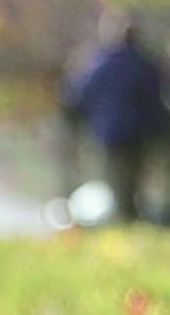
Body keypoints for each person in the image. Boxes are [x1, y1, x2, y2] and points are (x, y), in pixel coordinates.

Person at [63, 11, 169, 221]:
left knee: (119, 181)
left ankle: (126, 218)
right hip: (142, 132)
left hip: (112, 133)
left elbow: (81, 96)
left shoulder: (100, 64)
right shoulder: (147, 65)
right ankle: (135, 217)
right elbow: (157, 100)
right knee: (137, 178)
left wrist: (75, 119)